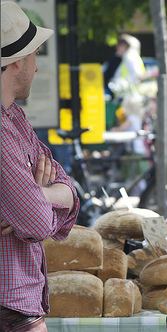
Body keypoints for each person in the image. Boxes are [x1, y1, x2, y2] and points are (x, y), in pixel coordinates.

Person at [1, 2, 80, 330]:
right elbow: (35, 223)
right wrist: (39, 197)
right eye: (34, 57)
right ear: (17, 63)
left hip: (20, 304)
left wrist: (37, 194)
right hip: (10, 308)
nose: (36, 68)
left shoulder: (15, 118)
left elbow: (71, 190)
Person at [110, 94, 149, 194]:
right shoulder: (137, 118)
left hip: (134, 149)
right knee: (136, 173)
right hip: (137, 148)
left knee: (136, 173)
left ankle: (141, 192)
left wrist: (113, 129)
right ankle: (139, 191)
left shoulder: (131, 118)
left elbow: (120, 129)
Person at [108, 33, 146, 99]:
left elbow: (137, 76)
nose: (116, 48)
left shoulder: (130, 57)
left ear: (123, 46)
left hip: (129, 97)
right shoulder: (128, 57)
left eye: (118, 46)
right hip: (128, 96)